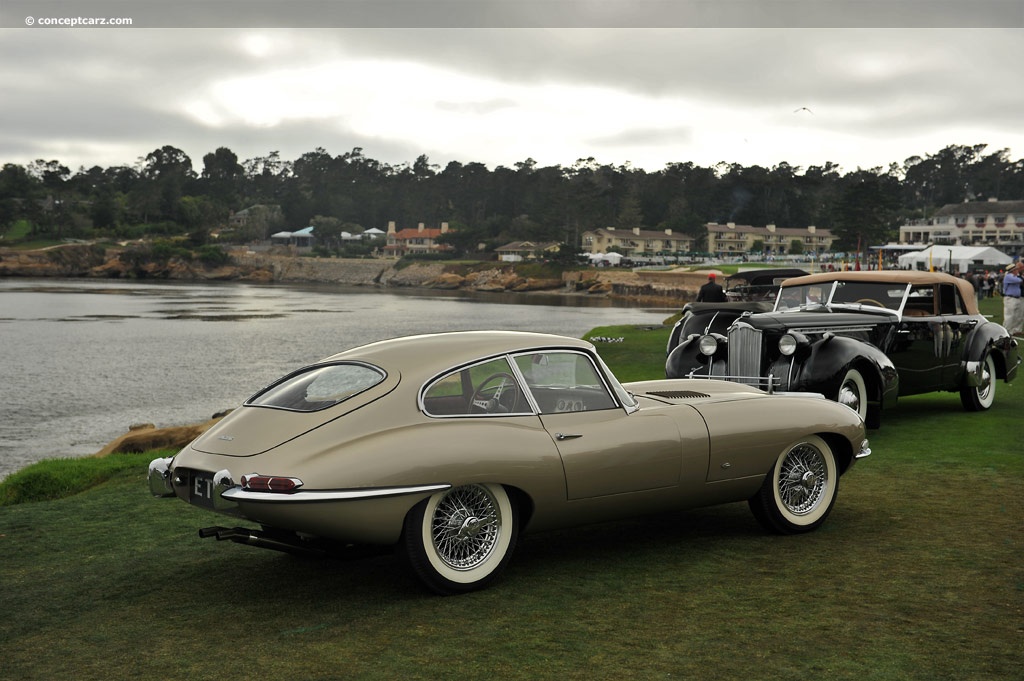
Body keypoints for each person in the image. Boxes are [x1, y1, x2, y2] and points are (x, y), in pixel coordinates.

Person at [1001, 261, 1024, 336]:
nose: (1017, 270)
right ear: (1012, 270)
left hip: (1017, 298)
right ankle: (1006, 330)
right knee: (1009, 316)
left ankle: (1015, 330)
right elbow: (1019, 280)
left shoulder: (1015, 276)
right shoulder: (1008, 276)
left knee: (1018, 315)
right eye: (1016, 269)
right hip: (1010, 298)